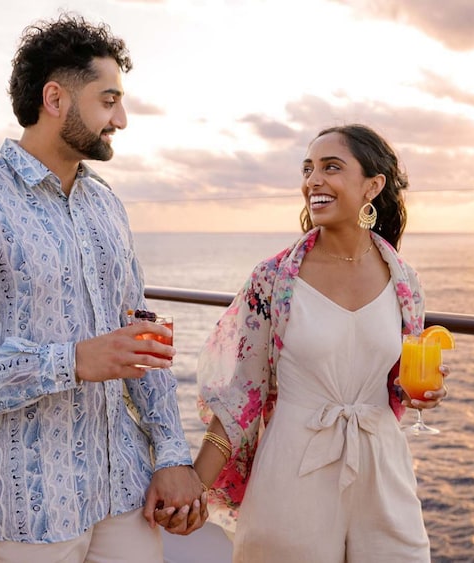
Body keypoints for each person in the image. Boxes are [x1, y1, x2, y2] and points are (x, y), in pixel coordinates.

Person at [0, 14, 206, 562]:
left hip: (122, 493)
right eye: (108, 100)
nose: (122, 119)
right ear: (55, 98)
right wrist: (68, 361)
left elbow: (142, 335)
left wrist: (171, 454)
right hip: (21, 511)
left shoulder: (106, 205)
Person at [188, 124, 447, 562]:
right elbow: (240, 399)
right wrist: (195, 485)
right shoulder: (272, 280)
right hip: (293, 469)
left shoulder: (405, 281)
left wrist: (421, 391)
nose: (313, 181)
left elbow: (395, 384)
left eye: (331, 167)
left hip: (382, 468)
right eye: (308, 169)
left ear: (372, 186)